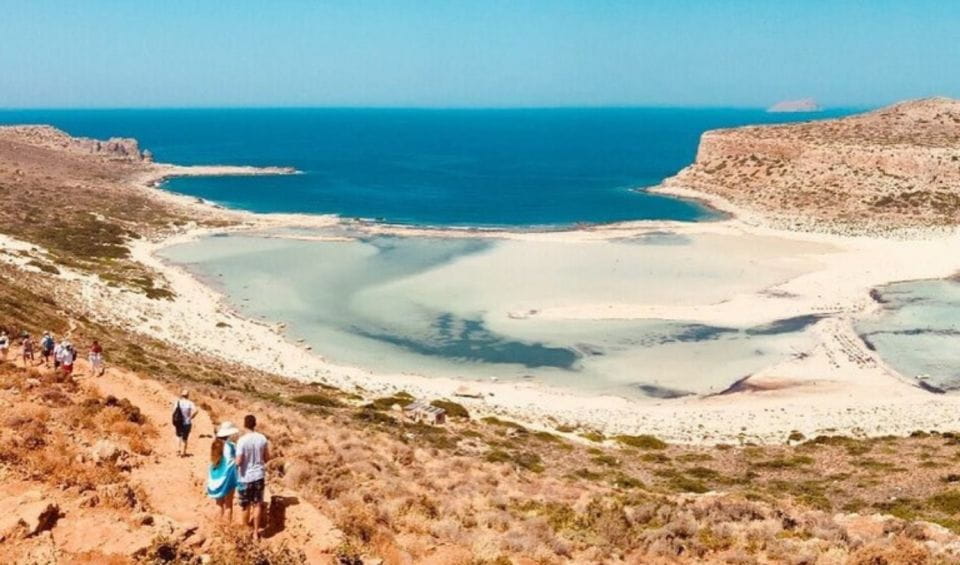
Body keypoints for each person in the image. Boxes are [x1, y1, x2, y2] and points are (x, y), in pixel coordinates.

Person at [236, 414, 270, 540]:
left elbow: (239, 461)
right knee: (257, 504)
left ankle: (246, 532)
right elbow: (267, 458)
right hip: (259, 475)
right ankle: (256, 532)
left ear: (245, 425)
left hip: (245, 477)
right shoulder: (262, 438)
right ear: (255, 424)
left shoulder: (241, 441)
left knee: (245, 505)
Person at [206, 421, 240, 522]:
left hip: (215, 475)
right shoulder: (231, 446)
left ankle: (218, 525)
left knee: (219, 504)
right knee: (229, 504)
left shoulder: (215, 444)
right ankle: (226, 527)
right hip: (228, 477)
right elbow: (234, 460)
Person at [173, 390, 197, 457]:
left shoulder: (177, 402)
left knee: (178, 436)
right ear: (188, 395)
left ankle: (178, 450)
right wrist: (191, 417)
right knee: (185, 438)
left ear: (181, 395)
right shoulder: (190, 403)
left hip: (179, 422)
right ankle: (183, 453)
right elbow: (196, 410)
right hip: (187, 422)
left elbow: (174, 412)